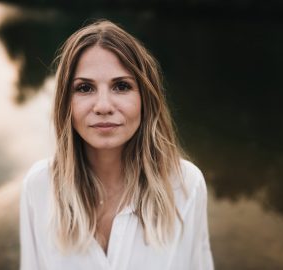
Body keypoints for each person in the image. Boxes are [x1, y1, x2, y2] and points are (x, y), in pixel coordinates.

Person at [20, 19, 214, 270]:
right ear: (65, 103)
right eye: (85, 88)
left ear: (146, 98)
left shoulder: (186, 185)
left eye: (121, 86)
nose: (103, 106)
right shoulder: (39, 186)